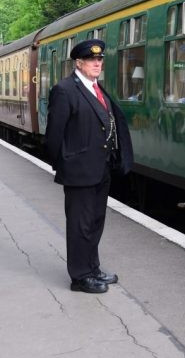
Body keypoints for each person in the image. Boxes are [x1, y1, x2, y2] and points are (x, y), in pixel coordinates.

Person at [45, 39, 133, 294]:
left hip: (100, 169)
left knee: (95, 222)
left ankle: (93, 269)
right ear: (79, 63)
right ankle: (80, 277)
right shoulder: (65, 90)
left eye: (100, 60)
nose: (97, 63)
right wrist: (65, 165)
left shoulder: (97, 88)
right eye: (92, 60)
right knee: (79, 225)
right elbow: (53, 136)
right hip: (78, 171)